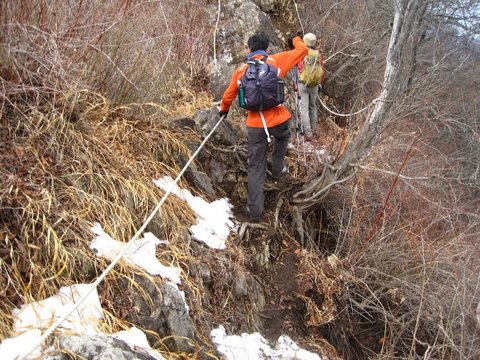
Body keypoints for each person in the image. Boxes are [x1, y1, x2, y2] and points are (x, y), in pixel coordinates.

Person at [219, 32, 308, 222]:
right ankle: (277, 171)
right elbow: (303, 50)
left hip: (256, 126)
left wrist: (223, 111)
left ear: (249, 50)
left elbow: (228, 96)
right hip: (279, 120)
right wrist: (294, 39)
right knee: (283, 137)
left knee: (256, 166)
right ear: (267, 49)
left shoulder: (242, 70)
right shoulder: (276, 62)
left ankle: (254, 211)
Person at [296, 33, 325, 142]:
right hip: (315, 85)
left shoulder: (302, 53)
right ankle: (313, 129)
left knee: (304, 108)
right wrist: (320, 83)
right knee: (313, 107)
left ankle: (307, 133)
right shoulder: (318, 55)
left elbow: (298, 66)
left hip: (302, 83)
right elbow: (322, 72)